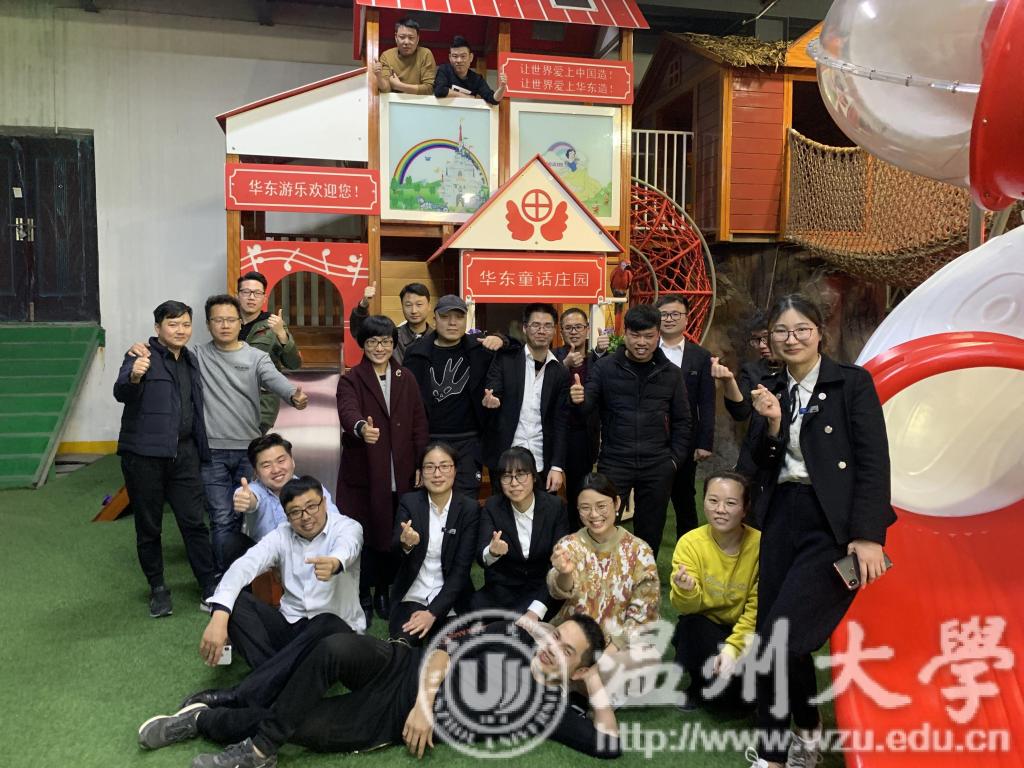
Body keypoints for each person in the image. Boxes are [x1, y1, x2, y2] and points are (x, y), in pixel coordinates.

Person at [137, 614, 620, 763]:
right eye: (556, 637)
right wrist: (426, 706)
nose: (551, 649)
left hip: (388, 720)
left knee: (302, 724)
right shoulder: (513, 636)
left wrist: (593, 677)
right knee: (333, 646)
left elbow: (609, 745)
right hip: (402, 667)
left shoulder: (548, 709)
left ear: (578, 670)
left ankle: (202, 720)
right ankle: (260, 751)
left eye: (567, 652)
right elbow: (446, 647)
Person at [743, 294, 895, 768]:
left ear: (819, 333)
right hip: (780, 518)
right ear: (770, 339)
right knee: (776, 639)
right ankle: (805, 732)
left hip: (832, 525)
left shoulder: (851, 383)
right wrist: (772, 424)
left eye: (801, 329)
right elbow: (757, 462)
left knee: (781, 640)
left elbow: (873, 462)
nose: (791, 339)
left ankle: (774, 755)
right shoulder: (770, 387)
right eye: (781, 331)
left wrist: (868, 535)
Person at [128, 295, 310, 571]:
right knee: (221, 517)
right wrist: (139, 348)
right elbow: (166, 350)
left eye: (230, 320)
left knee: (247, 514)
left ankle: (251, 572)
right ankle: (226, 577)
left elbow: (276, 380)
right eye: (218, 320)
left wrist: (294, 396)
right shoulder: (195, 356)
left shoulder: (256, 357)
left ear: (241, 323)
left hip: (249, 452)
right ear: (208, 324)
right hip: (210, 453)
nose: (225, 325)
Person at [180, 476, 364, 712]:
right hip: (292, 627)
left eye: (312, 506)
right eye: (295, 512)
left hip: (336, 634)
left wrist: (335, 563)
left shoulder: (348, 527)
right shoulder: (281, 534)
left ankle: (241, 695)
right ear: (287, 516)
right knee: (236, 603)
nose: (306, 516)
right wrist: (219, 615)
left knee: (327, 622)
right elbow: (245, 565)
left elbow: (349, 547)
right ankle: (278, 683)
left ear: (324, 503)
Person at [114, 300, 219, 618]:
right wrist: (134, 376)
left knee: (194, 523)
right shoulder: (140, 355)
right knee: (149, 526)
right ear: (157, 328)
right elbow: (121, 393)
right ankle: (158, 588)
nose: (180, 330)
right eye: (173, 324)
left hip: (185, 454)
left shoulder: (190, 360)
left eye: (186, 324)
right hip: (144, 457)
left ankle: (209, 585)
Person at [569, 304, 691, 554]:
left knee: (650, 532)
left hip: (657, 464)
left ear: (658, 335)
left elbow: (683, 421)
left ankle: (643, 575)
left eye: (648, 336)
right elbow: (586, 410)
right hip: (615, 461)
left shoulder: (672, 374)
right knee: (602, 526)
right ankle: (602, 574)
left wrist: (673, 461)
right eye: (635, 335)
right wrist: (578, 400)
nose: (641, 342)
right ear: (625, 334)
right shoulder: (604, 368)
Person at [336, 315, 428, 628]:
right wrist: (362, 428)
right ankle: (363, 592)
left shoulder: (406, 377)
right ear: (363, 344)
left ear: (393, 344)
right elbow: (348, 412)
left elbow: (418, 423)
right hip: (365, 473)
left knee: (394, 531)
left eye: (386, 341)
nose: (380, 348)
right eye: (373, 341)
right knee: (364, 533)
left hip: (401, 471)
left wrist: (420, 462)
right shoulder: (351, 379)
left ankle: (386, 591)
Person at [547, 473, 660, 697]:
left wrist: (604, 659)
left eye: (601, 506)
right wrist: (564, 573)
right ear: (577, 510)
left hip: (617, 645)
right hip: (573, 643)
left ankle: (577, 687)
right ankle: (584, 687)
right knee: (536, 640)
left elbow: (645, 612)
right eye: (585, 508)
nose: (594, 514)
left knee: (646, 661)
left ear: (616, 503)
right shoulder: (569, 545)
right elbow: (556, 590)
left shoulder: (639, 550)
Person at [403, 294, 512, 500]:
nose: (452, 323)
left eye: (459, 317)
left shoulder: (479, 349)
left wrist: (502, 339)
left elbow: (517, 349)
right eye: (445, 317)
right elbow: (408, 405)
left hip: (469, 441)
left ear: (466, 319)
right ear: (435, 319)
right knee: (431, 502)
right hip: (431, 440)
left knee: (467, 502)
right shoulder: (416, 353)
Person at [670, 471, 759, 711]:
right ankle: (698, 685)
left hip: (748, 632)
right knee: (689, 625)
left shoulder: (761, 545)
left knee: (739, 705)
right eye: (713, 501)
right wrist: (687, 591)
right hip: (707, 627)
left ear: (745, 508)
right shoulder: (690, 543)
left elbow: (757, 609)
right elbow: (685, 608)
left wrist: (733, 649)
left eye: (730, 503)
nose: (720, 509)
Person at [389, 442, 480, 645]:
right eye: (429, 467)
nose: (437, 473)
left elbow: (461, 571)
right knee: (402, 646)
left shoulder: (469, 509)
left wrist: (432, 613)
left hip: (451, 597)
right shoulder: (409, 502)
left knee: (449, 651)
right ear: (421, 473)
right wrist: (406, 544)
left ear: (455, 470)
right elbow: (394, 552)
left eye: (444, 466)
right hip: (413, 593)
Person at [472, 447, 570, 622]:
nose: (514, 483)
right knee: (473, 611)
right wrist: (492, 552)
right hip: (503, 591)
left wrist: (535, 610)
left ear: (534, 476)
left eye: (521, 474)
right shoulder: (492, 506)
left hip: (542, 590)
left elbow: (556, 566)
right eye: (506, 476)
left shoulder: (555, 507)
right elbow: (481, 558)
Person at [482, 303, 569, 493]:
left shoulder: (560, 372)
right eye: (535, 325)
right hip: (505, 456)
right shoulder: (506, 359)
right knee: (502, 509)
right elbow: (493, 388)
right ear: (524, 328)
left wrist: (557, 466)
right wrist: (492, 401)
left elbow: (561, 422)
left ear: (554, 330)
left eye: (547, 326)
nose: (541, 330)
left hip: (542, 461)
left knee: (543, 510)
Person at [227, 433, 343, 566]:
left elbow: (336, 523)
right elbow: (250, 497)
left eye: (281, 461)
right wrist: (246, 501)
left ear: (292, 461)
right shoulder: (255, 490)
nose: (276, 469)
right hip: (270, 565)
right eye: (266, 465)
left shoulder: (311, 488)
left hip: (312, 561)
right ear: (256, 472)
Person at [656, 294, 715, 538]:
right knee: (653, 498)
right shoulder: (647, 351)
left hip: (686, 439)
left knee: (684, 497)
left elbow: (707, 402)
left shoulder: (701, 356)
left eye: (675, 314)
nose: (669, 319)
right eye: (664, 314)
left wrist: (705, 442)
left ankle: (688, 549)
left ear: (686, 319)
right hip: (652, 438)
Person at [554, 308, 608, 529]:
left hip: (584, 434)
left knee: (579, 489)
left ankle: (578, 532)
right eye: (568, 328)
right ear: (561, 331)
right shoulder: (553, 356)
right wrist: (564, 366)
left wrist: (601, 352)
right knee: (550, 488)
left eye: (578, 327)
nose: (574, 332)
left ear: (587, 330)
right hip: (555, 433)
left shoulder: (597, 358)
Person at [236, 271, 302, 434]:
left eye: (257, 293)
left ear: (264, 298)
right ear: (237, 295)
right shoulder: (228, 323)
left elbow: (294, 364)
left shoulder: (274, 324)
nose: (251, 297)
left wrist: (282, 334)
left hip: (261, 407)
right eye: (246, 292)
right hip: (231, 403)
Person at [711, 310, 782, 423]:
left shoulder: (801, 368)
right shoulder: (752, 370)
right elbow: (741, 413)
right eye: (756, 340)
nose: (761, 345)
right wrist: (728, 381)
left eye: (766, 337)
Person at [348, 281, 431, 365]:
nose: (414, 310)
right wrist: (363, 306)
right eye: (408, 305)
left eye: (419, 304)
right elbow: (361, 332)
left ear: (429, 306)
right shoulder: (391, 336)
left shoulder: (436, 337)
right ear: (402, 306)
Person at [433, 36, 507, 105]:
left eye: (463, 56)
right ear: (450, 57)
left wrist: (502, 87)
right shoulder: (445, 70)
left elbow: (493, 99)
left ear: (471, 57)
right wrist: (466, 97)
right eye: (455, 56)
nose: (459, 60)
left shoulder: (477, 79)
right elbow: (439, 90)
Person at [373, 17, 436, 95]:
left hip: (419, 101)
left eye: (411, 38)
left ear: (417, 39)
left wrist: (400, 86)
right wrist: (379, 77)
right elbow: (386, 89)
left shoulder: (425, 54)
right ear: (396, 37)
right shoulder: (386, 55)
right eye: (402, 37)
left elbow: (429, 89)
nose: (406, 42)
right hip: (393, 101)